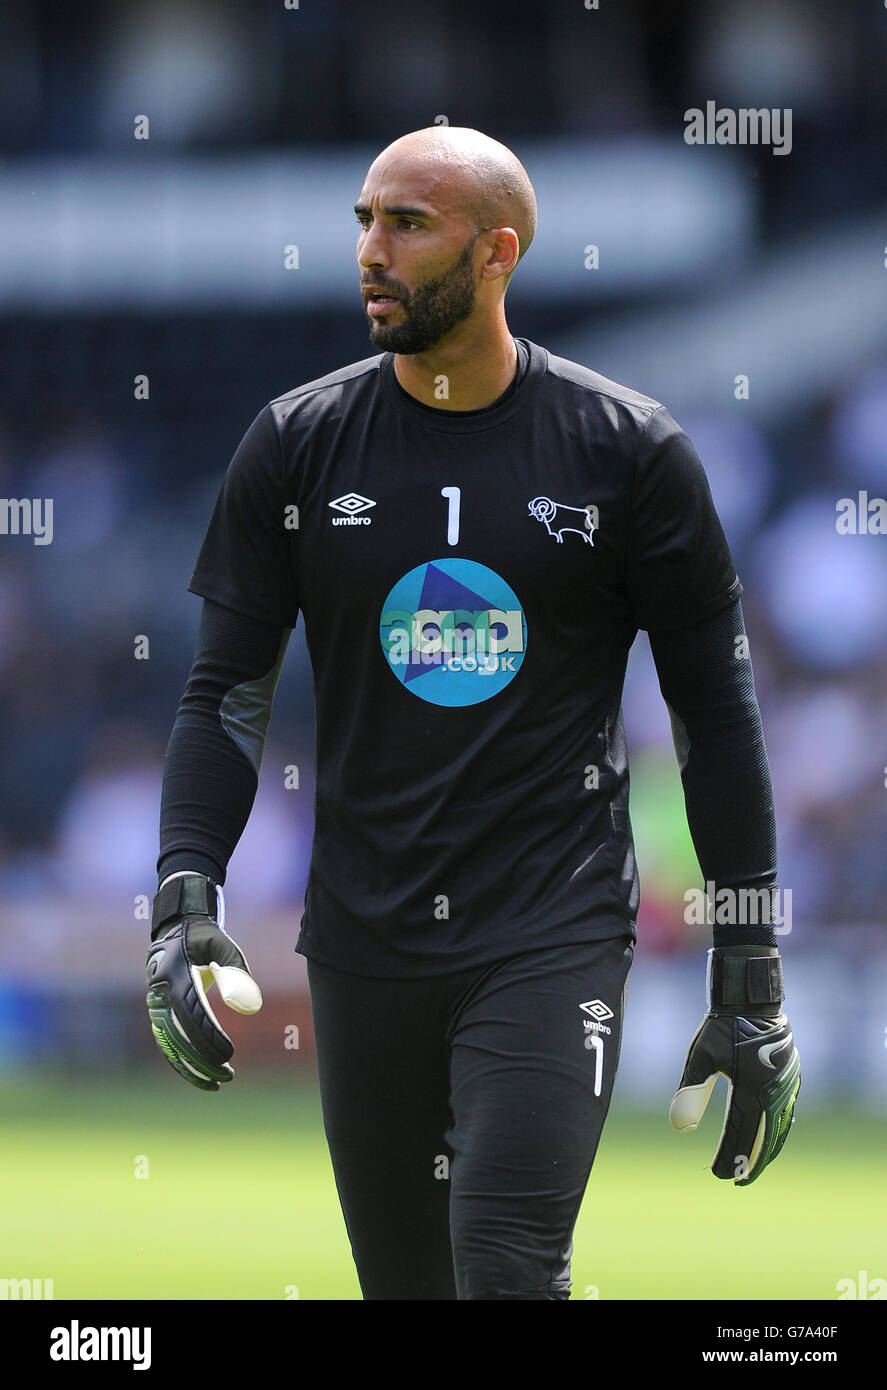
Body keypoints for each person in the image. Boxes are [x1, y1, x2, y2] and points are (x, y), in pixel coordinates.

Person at [145, 126, 801, 1301]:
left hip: (550, 931)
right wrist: (183, 892)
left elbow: (716, 712)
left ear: (496, 252)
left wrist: (747, 960)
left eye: (406, 224)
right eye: (362, 220)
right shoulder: (293, 447)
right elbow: (224, 693)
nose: (369, 251)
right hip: (363, 936)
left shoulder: (629, 454)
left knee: (503, 1266)